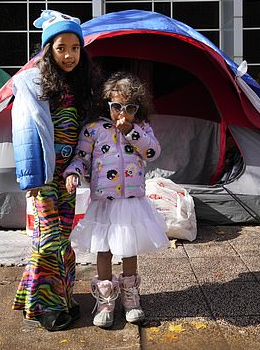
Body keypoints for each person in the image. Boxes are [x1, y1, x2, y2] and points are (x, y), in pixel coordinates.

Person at [11, 10, 98, 331]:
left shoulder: (82, 86)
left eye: (75, 48)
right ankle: (47, 307)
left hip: (68, 177)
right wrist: (31, 177)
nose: (69, 55)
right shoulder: (32, 85)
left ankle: (54, 297)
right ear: (49, 50)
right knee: (49, 240)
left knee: (61, 239)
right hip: (44, 176)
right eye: (61, 48)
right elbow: (23, 133)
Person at [64, 71, 169, 328]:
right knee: (104, 249)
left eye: (130, 107)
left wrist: (132, 131)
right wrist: (73, 173)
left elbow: (153, 151)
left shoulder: (141, 127)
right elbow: (80, 157)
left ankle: (131, 298)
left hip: (131, 200)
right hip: (103, 200)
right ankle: (105, 298)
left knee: (128, 247)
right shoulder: (94, 130)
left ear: (138, 107)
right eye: (117, 106)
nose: (123, 112)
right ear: (106, 104)